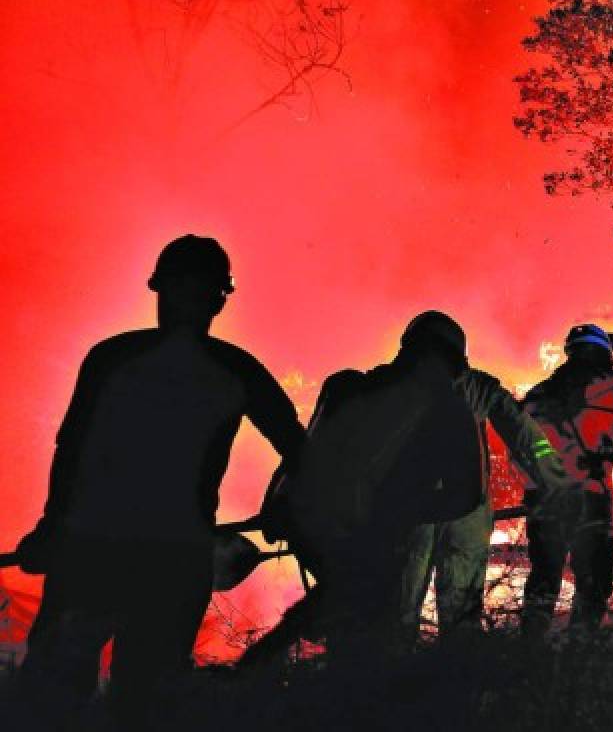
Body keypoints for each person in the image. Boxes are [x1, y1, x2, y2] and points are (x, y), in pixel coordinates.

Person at [15, 235, 306, 728]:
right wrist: (281, 506)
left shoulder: (111, 357)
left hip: (92, 551)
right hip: (171, 560)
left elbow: (72, 454)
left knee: (51, 701)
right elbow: (300, 451)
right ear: (221, 297)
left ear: (158, 288)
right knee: (144, 704)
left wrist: (50, 529)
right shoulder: (237, 370)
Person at [249, 309, 484, 669]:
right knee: (369, 651)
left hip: (308, 531)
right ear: (455, 362)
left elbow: (302, 454)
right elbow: (467, 494)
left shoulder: (345, 386)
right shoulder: (449, 409)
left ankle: (257, 674)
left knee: (336, 619)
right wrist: (408, 512)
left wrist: (275, 506)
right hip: (371, 544)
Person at [392, 312, 568, 643]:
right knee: (461, 620)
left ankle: (392, 685)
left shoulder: (390, 388)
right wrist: (558, 482)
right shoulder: (479, 387)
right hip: (465, 510)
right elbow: (528, 438)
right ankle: (459, 684)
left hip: (411, 514)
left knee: (397, 615)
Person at [519, 324, 613, 637]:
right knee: (593, 584)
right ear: (604, 351)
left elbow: (520, 445)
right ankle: (581, 657)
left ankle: (527, 655)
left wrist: (531, 485)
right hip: (591, 499)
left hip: (548, 501)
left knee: (543, 580)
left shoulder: (539, 394)